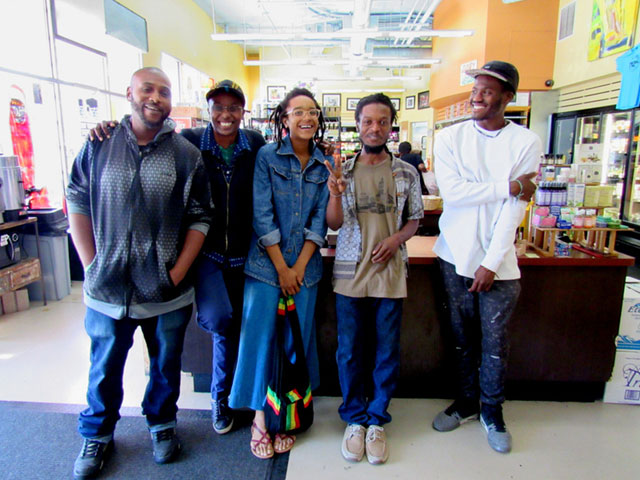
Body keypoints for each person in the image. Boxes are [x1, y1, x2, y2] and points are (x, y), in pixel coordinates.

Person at [88, 80, 266, 435]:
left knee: (253, 325)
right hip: (208, 253)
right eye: (218, 107)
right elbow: (149, 136)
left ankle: (246, 399)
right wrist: (110, 127)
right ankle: (221, 397)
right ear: (209, 110)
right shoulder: (190, 143)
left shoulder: (256, 145)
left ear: (243, 112)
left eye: (233, 108)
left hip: (247, 254)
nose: (225, 115)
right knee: (220, 322)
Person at [67, 67, 213, 479]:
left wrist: (177, 272)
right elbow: (76, 197)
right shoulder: (99, 143)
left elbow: (201, 215)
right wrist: (90, 263)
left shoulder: (186, 155)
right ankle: (97, 434)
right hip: (108, 288)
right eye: (147, 89)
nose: (156, 98)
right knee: (104, 365)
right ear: (128, 93)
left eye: (164, 92)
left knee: (166, 364)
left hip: (166, 290)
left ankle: (162, 425)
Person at [431, 60, 540, 454]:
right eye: (475, 88)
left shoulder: (525, 142)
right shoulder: (450, 138)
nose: (477, 96)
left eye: (488, 90)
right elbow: (454, 194)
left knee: (495, 343)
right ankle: (465, 403)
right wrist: (510, 185)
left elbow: (515, 210)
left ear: (508, 97)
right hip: (452, 254)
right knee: (460, 339)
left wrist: (491, 263)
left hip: (500, 263)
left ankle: (492, 411)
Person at [228, 88, 331, 459]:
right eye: (298, 111)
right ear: (284, 118)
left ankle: (285, 418)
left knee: (294, 346)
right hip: (265, 269)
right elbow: (262, 214)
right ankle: (259, 418)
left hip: (306, 272)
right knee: (260, 343)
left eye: (313, 112)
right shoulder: (266, 157)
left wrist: (299, 267)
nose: (307, 118)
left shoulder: (324, 164)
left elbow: (319, 222)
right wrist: (282, 267)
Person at [325, 94, 423, 465]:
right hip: (350, 273)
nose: (375, 128)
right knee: (349, 349)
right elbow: (333, 224)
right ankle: (354, 418)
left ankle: (377, 419)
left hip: (390, 272)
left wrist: (396, 239)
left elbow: (414, 218)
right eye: (368, 121)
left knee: (386, 349)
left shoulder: (406, 173)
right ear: (358, 124)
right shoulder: (342, 172)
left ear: (391, 126)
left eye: (383, 121)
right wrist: (334, 193)